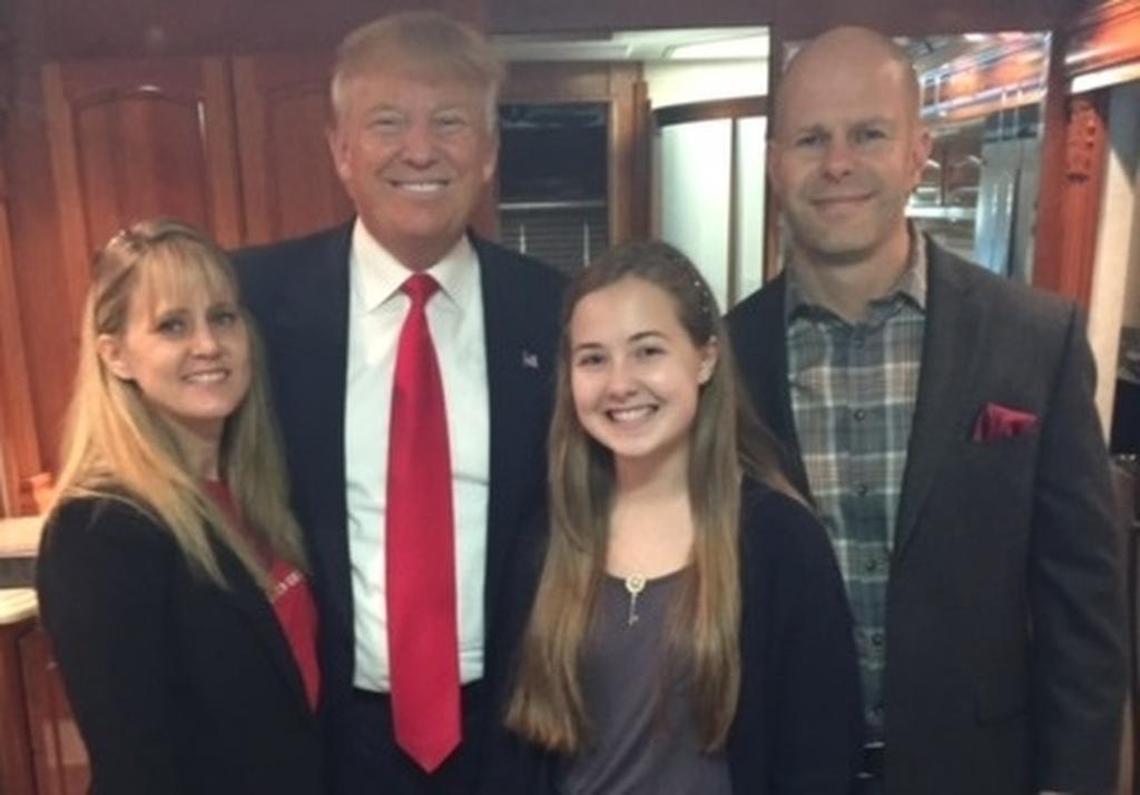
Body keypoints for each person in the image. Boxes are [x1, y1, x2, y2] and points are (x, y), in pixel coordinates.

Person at [727, 26, 1126, 795]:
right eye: (812, 138)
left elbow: (1085, 616)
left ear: (918, 152)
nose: (838, 163)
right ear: (776, 164)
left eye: (868, 134)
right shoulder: (724, 360)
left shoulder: (1035, 340)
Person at [233, 11, 566, 794]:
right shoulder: (252, 304)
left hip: (514, 730)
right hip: (327, 733)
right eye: (388, 122)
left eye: (450, 123)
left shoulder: (554, 312)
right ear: (341, 149)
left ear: (487, 153)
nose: (420, 150)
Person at [500, 241, 862, 794]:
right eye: (593, 358)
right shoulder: (548, 539)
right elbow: (514, 758)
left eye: (647, 351)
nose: (620, 383)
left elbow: (820, 762)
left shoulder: (781, 541)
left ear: (706, 358)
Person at [36, 219, 323, 794]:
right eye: (172, 325)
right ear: (115, 356)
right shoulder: (100, 529)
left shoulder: (259, 497)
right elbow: (137, 767)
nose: (208, 345)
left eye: (223, 317)